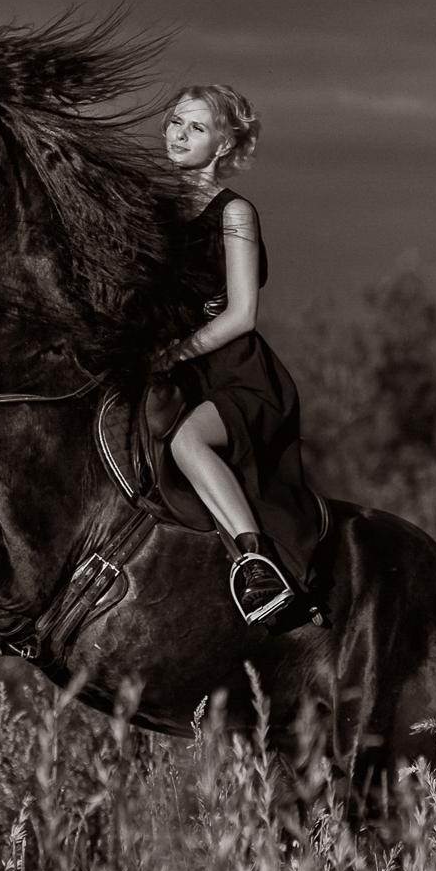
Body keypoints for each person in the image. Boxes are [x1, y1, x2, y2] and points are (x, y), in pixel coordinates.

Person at [154, 84, 321, 625]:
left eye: (197, 128)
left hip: (239, 377)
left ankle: (256, 562)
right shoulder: (147, 209)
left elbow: (241, 315)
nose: (179, 134)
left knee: (186, 440)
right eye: (175, 122)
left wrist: (173, 353)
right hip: (179, 376)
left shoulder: (235, 215)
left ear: (224, 144)